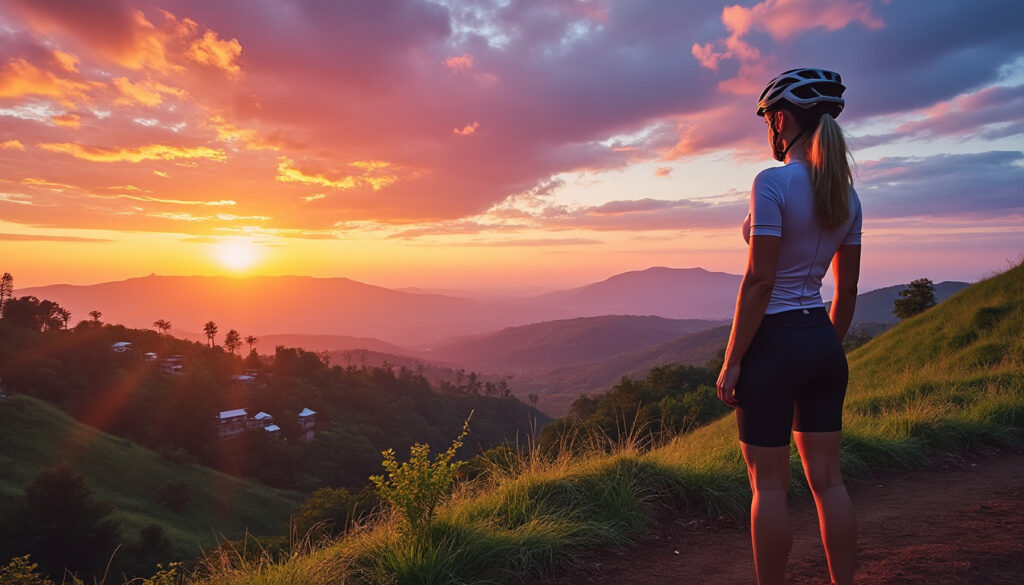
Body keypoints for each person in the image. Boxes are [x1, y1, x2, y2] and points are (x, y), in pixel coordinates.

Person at [716, 68, 862, 585]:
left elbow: (759, 281)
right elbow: (845, 292)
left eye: (769, 122)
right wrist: (824, 348)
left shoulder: (771, 183)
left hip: (773, 343)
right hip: (821, 340)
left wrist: (733, 361)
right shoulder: (848, 195)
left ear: (781, 119)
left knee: (770, 489)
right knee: (828, 482)